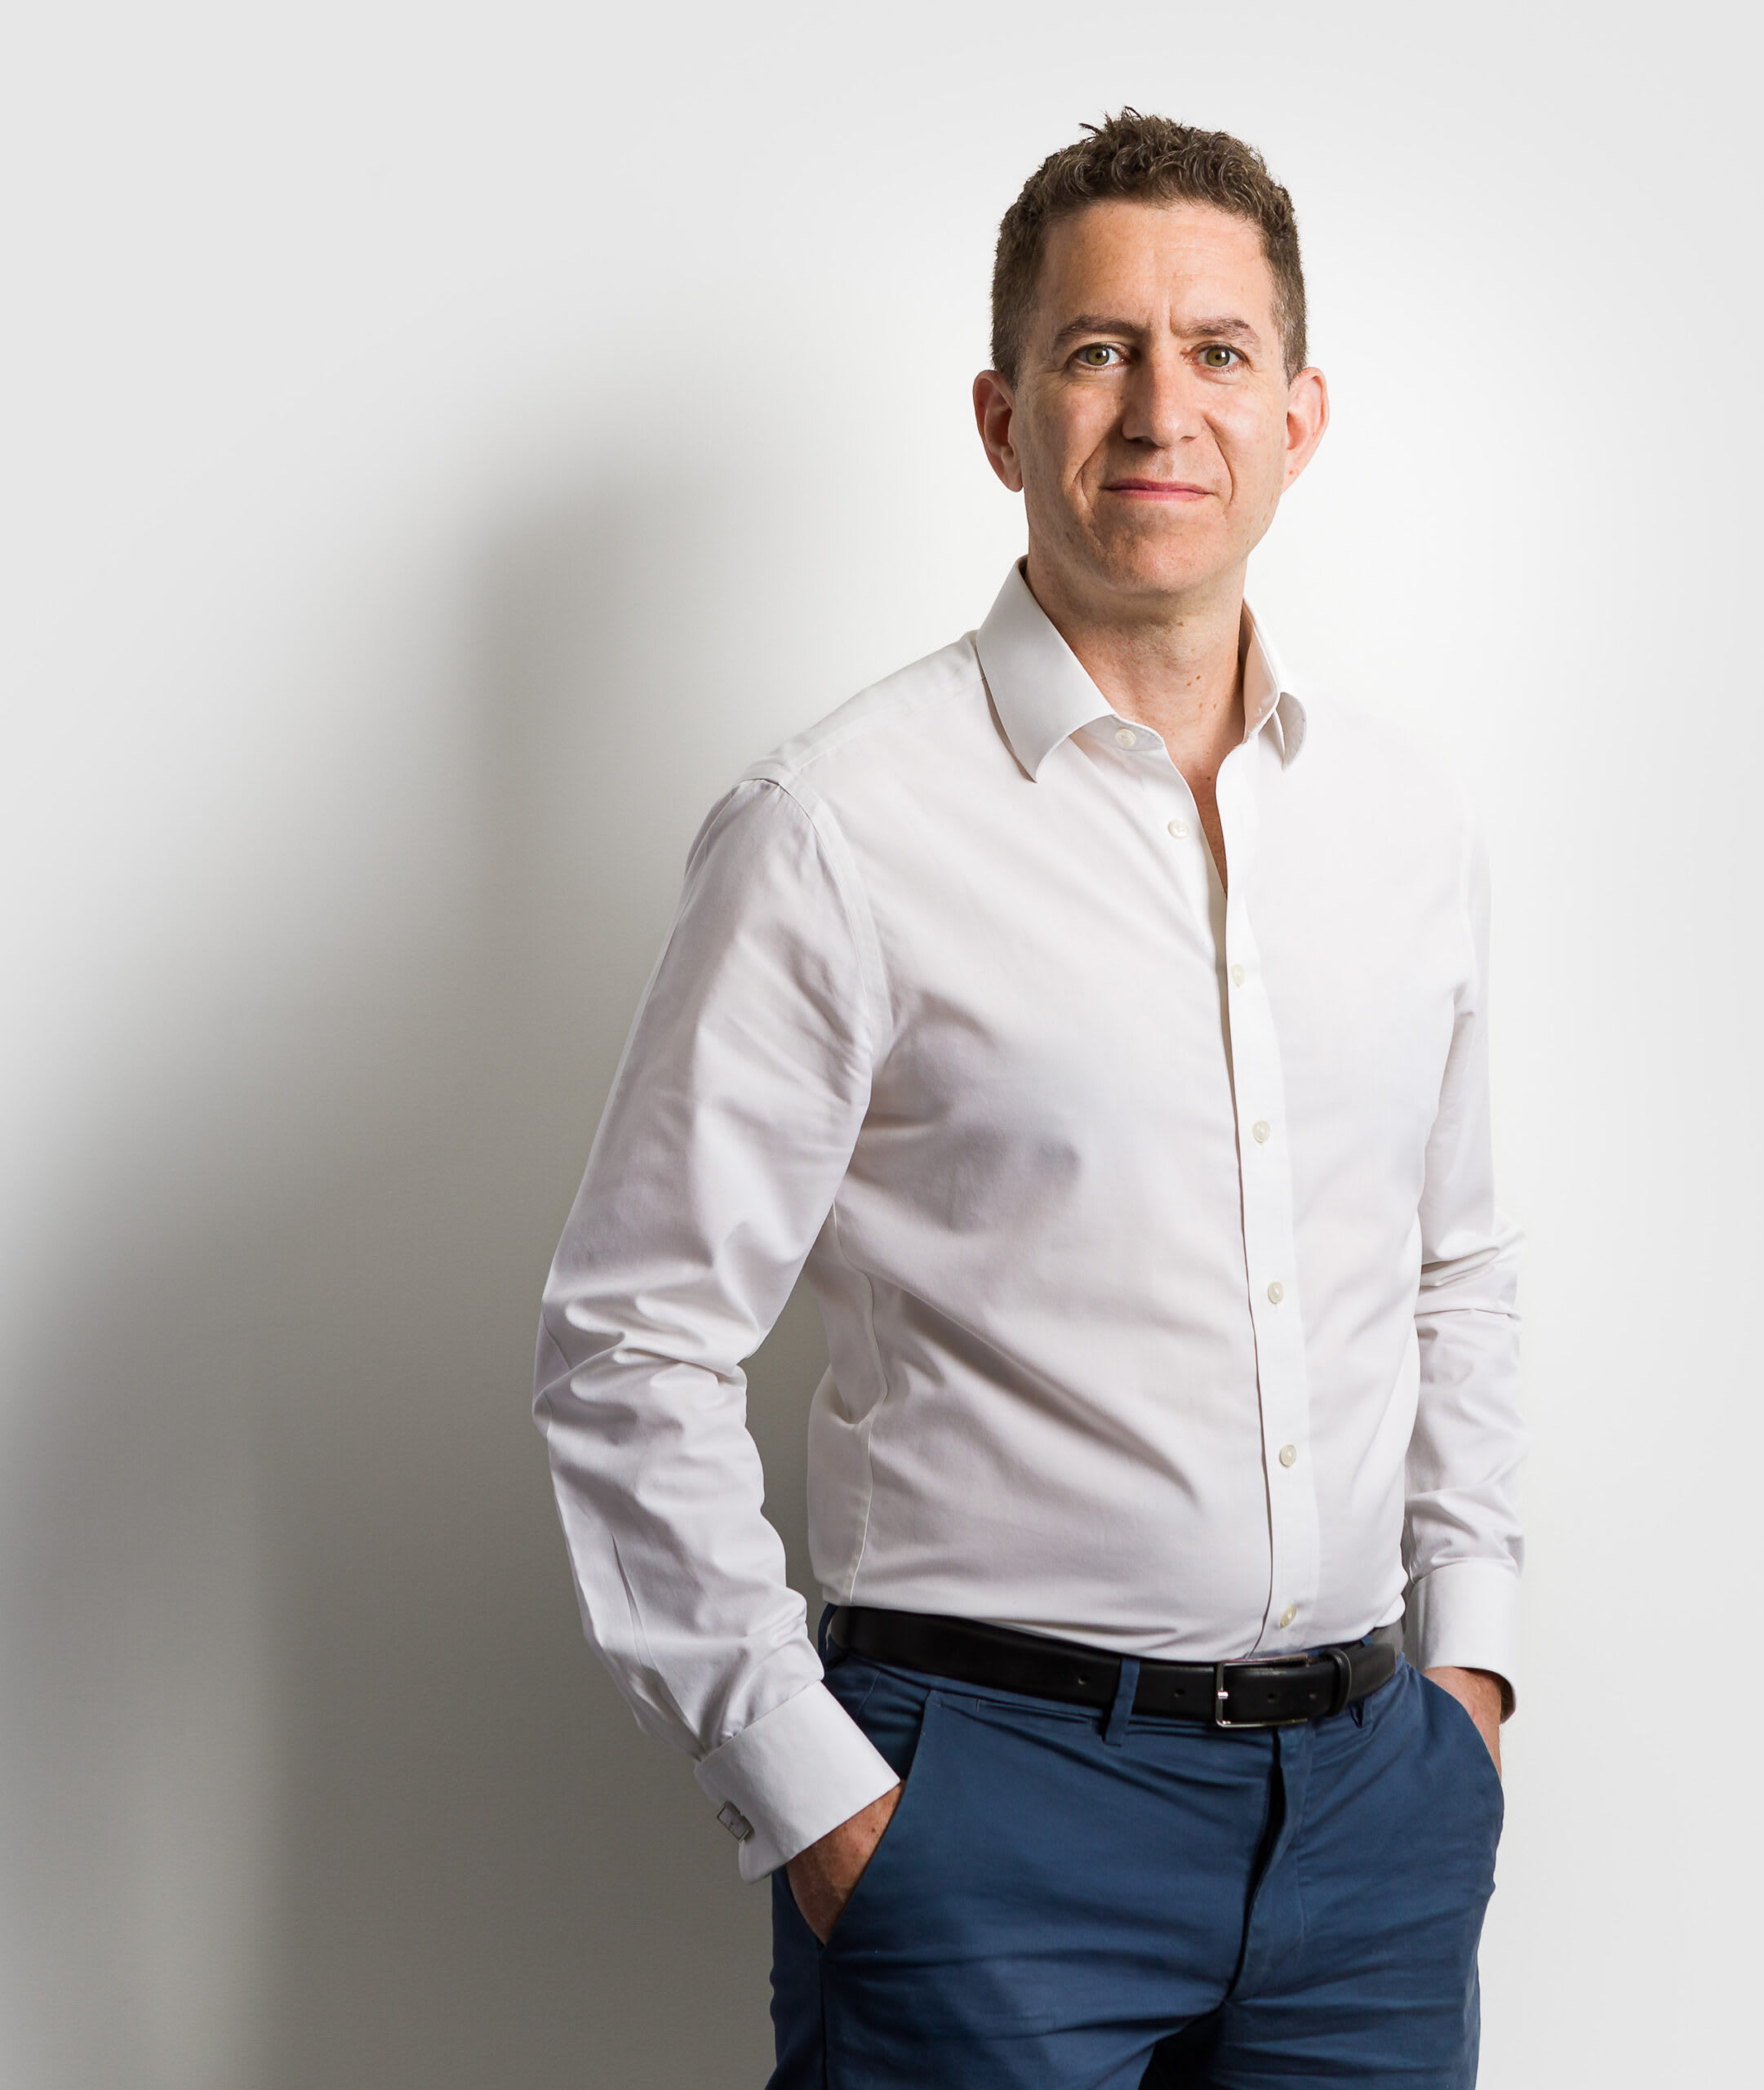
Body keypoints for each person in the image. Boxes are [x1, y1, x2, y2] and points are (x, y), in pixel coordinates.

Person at [535, 109, 1524, 2089]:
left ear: (1298, 416)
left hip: (1368, 1818)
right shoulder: (834, 830)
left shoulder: (1404, 824)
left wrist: (1469, 1681)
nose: (1161, 407)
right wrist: (820, 1800)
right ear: (1001, 418)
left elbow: (1455, 1266)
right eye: (1097, 351)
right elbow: (630, 1345)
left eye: (1216, 350)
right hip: (980, 1811)